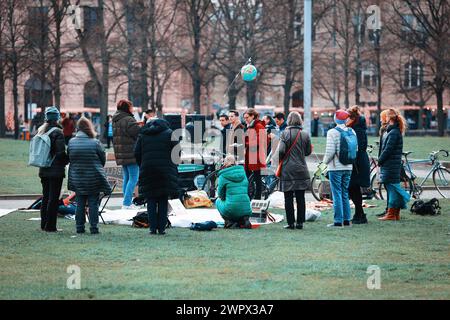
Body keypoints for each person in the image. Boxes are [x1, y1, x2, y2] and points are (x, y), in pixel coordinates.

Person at [135, 118, 179, 235]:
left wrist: (143, 164)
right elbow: (177, 152)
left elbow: (136, 153)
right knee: (163, 200)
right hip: (165, 170)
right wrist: (173, 165)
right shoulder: (170, 133)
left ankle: (152, 228)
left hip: (148, 170)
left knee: (151, 200)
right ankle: (162, 228)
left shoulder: (143, 134)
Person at [68, 117, 111, 234]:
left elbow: (70, 158)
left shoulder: (71, 142)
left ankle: (79, 227)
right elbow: (102, 159)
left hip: (78, 178)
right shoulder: (95, 142)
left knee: (80, 203)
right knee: (93, 203)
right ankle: (94, 228)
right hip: (93, 178)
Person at [274, 112, 312, 230]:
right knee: (301, 198)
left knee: (288, 197)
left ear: (289, 120)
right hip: (302, 169)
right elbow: (307, 152)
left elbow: (281, 151)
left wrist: (281, 160)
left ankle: (291, 223)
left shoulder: (285, 134)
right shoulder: (305, 134)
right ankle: (300, 222)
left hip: (287, 169)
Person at [36, 106, 69, 232]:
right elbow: (60, 153)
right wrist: (67, 159)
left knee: (45, 197)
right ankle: (51, 226)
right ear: (57, 118)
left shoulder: (41, 130)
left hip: (43, 168)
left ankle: (44, 224)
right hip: (55, 170)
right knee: (53, 199)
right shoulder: (57, 132)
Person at [323, 109, 356, 228]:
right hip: (348, 166)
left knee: (336, 193)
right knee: (345, 193)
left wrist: (323, 163)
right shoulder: (352, 131)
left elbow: (330, 152)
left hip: (335, 167)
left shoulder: (332, 132)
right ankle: (347, 220)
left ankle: (338, 221)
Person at [377, 109, 411, 221]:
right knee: (392, 188)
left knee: (393, 189)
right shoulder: (392, 131)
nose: (384, 119)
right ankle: (395, 214)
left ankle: (392, 214)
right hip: (390, 165)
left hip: (390, 165)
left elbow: (388, 150)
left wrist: (380, 160)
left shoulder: (394, 132)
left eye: (386, 116)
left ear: (389, 118)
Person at [112, 99, 141, 209]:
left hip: (121, 153)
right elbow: (137, 133)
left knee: (127, 178)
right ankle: (127, 203)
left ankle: (126, 201)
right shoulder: (129, 119)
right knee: (134, 178)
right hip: (131, 153)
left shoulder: (116, 119)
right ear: (127, 108)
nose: (132, 109)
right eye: (131, 107)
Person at [346, 106, 371, 224]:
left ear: (352, 118)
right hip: (358, 162)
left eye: (347, 117)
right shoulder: (357, 128)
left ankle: (360, 214)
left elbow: (359, 146)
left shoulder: (357, 129)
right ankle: (359, 213)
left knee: (353, 188)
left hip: (358, 163)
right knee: (353, 189)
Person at [216, 155, 252, 229]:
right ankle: (244, 219)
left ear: (225, 163)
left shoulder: (223, 175)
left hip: (231, 208)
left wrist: (224, 198)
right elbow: (247, 188)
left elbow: (220, 194)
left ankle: (230, 221)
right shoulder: (243, 172)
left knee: (218, 201)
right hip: (246, 208)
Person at [243, 108, 267, 200]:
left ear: (253, 116)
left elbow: (259, 141)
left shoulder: (259, 126)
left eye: (247, 117)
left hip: (257, 156)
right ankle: (250, 196)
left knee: (257, 179)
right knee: (248, 177)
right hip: (250, 155)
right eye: (244, 118)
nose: (246, 119)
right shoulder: (250, 126)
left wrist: (247, 143)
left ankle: (257, 198)